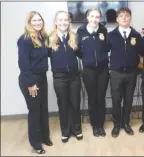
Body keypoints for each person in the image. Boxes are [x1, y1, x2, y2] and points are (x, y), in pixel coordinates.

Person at [17, 11, 53, 154]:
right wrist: (31, 83)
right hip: (30, 79)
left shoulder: (43, 37)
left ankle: (45, 137)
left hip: (42, 77)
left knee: (43, 109)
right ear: (29, 23)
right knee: (35, 111)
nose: (38, 23)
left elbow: (49, 53)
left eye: (40, 20)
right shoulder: (24, 40)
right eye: (34, 21)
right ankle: (36, 144)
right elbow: (23, 63)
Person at [48, 10, 82, 143]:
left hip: (74, 76)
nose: (63, 22)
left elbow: (81, 54)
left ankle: (77, 129)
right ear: (56, 22)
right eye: (60, 20)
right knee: (63, 104)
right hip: (59, 77)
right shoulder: (49, 38)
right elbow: (45, 56)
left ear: (69, 22)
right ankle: (66, 131)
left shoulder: (74, 37)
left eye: (66, 20)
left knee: (75, 103)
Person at [108, 7, 142, 138]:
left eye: (127, 15)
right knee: (116, 100)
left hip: (131, 73)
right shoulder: (111, 35)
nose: (124, 18)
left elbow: (141, 54)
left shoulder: (136, 35)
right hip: (116, 73)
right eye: (121, 16)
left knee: (128, 100)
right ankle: (116, 125)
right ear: (117, 19)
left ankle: (126, 123)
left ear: (130, 18)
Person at [76, 8, 109, 137]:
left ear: (100, 18)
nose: (95, 19)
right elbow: (78, 51)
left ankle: (101, 125)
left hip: (103, 69)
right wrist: (87, 59)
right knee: (92, 98)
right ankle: (95, 125)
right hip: (89, 70)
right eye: (92, 16)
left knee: (101, 98)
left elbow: (106, 47)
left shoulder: (103, 30)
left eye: (97, 17)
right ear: (87, 17)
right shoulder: (81, 31)